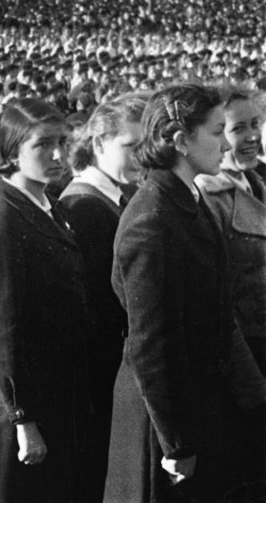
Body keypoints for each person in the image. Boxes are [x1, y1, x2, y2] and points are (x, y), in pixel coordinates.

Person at [106, 84, 266, 502]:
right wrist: (176, 442)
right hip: (164, 420)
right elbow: (151, 344)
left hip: (192, 404)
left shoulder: (183, 200)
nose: (225, 143)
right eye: (216, 132)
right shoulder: (153, 219)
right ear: (180, 141)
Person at [0, 98, 92, 502]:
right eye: (42, 145)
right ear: (14, 150)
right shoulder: (1, 222)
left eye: (62, 143)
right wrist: (23, 416)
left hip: (49, 394)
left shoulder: (48, 208)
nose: (57, 155)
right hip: (15, 406)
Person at [59, 95, 145, 501]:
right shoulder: (85, 206)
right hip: (101, 375)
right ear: (98, 144)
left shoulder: (116, 196)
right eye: (130, 146)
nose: (141, 156)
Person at [196, 87, 266, 495]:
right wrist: (250, 383)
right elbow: (218, 303)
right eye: (239, 128)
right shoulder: (209, 194)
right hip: (247, 364)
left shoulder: (257, 180)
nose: (252, 135)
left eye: (256, 124)